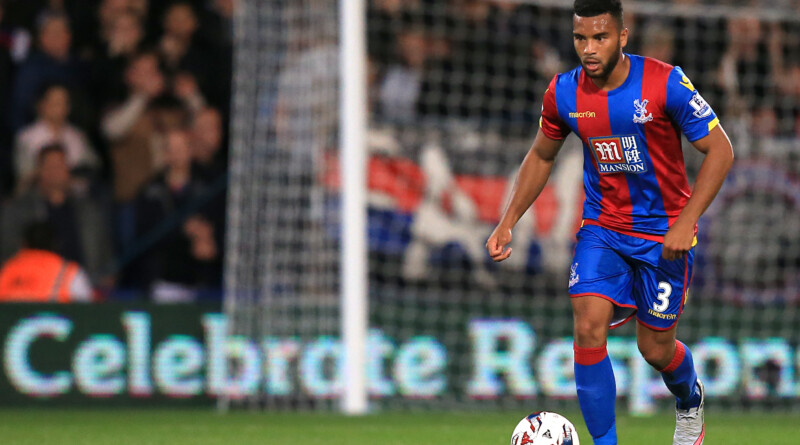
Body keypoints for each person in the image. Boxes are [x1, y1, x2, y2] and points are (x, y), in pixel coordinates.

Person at [485, 1, 734, 444]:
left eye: (599, 37)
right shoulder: (563, 92)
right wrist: (509, 220)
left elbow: (721, 150)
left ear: (622, 36)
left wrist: (687, 220)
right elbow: (541, 155)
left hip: (664, 236)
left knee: (654, 349)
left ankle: (689, 399)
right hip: (603, 228)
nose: (589, 48)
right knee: (587, 325)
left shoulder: (665, 82)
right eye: (580, 38)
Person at [0, 222, 92, 303]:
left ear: (24, 242)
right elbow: (86, 306)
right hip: (52, 316)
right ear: (55, 243)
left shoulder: (6, 268)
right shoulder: (69, 270)